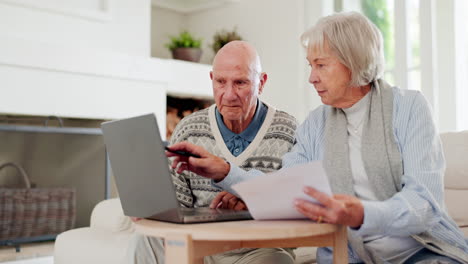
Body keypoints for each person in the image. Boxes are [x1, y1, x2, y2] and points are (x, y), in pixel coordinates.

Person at [167, 12, 468, 264]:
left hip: (423, 254)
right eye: (310, 65)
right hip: (349, 256)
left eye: (321, 65)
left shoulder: (409, 107)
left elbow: (424, 204)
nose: (311, 77)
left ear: (355, 62)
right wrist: (225, 171)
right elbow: (283, 189)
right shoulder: (315, 124)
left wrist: (362, 213)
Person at [125, 40, 298, 264]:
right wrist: (152, 212)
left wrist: (251, 202)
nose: (228, 94)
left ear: (261, 82)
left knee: (277, 261)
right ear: (211, 80)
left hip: (257, 251)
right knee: (144, 239)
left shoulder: (289, 130)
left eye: (240, 83)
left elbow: (297, 210)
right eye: (220, 82)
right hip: (198, 248)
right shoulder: (189, 129)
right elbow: (177, 207)